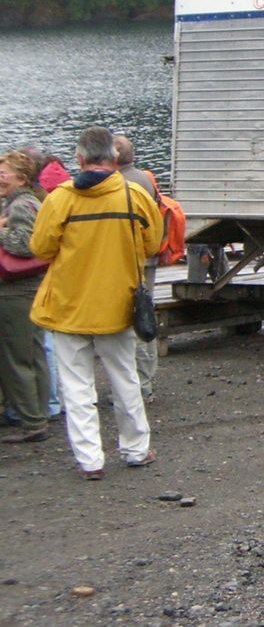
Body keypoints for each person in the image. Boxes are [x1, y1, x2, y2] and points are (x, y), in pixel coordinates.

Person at [29, 126, 162, 479]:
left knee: (76, 388)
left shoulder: (60, 198)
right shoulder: (135, 196)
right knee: (125, 378)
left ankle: (90, 460)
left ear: (79, 158)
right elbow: (152, 246)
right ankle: (135, 449)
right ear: (114, 157)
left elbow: (40, 248)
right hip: (119, 305)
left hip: (67, 305)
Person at [0, 151, 52, 444]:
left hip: (17, 291)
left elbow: (26, 245)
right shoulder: (27, 201)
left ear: (21, 177)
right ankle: (39, 413)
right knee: (34, 352)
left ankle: (32, 420)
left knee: (17, 357)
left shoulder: (21, 205)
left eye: (3, 172)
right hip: (29, 289)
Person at [115, 134, 161, 401]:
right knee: (145, 313)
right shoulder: (144, 178)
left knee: (137, 316)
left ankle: (140, 384)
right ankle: (145, 381)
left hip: (133, 259)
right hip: (147, 256)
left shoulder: (123, 183)